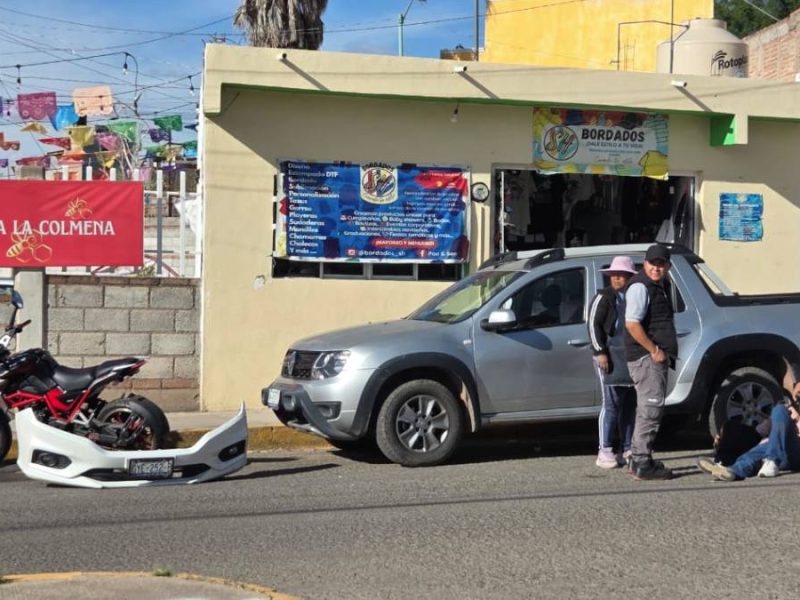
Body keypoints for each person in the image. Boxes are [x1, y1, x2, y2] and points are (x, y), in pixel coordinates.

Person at [624, 244, 679, 480]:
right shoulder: (640, 286)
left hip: (650, 356)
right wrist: (654, 350)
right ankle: (643, 463)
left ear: (667, 266)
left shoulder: (658, 285)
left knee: (647, 409)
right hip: (646, 357)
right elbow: (632, 324)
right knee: (651, 408)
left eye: (661, 264)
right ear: (644, 263)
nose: (657, 268)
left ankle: (638, 459)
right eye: (652, 263)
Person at [588, 256, 637, 469]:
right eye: (614, 275)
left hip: (630, 356)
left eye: (622, 275)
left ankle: (628, 447)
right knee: (611, 404)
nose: (617, 278)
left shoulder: (634, 297)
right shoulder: (604, 298)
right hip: (609, 355)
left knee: (629, 404)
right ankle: (605, 448)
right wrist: (600, 352)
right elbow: (593, 326)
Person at [697, 383, 800, 481]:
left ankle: (771, 460)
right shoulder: (787, 410)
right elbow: (759, 432)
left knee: (770, 444)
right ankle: (733, 471)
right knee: (779, 409)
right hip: (778, 451)